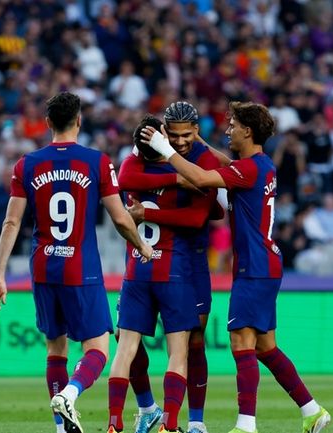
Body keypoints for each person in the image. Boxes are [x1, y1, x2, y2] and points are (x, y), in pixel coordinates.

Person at [142, 102, 331, 433]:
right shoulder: (261, 166)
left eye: (232, 125)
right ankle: (312, 411)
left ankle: (246, 425)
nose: (228, 130)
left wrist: (164, 149)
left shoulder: (250, 170)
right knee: (265, 346)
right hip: (266, 264)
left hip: (254, 268)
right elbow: (227, 165)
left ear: (248, 130)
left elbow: (202, 176)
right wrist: (198, 143)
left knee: (241, 341)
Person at [0, 92, 152, 433]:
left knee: (55, 347)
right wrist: (142, 247)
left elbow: (11, 223)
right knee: (99, 349)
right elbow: (121, 219)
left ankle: (62, 429)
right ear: (79, 120)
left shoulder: (26, 165)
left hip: (44, 267)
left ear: (47, 123)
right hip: (81, 268)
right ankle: (71, 394)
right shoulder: (97, 161)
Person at [107, 113, 217, 433]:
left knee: (127, 348)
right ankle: (165, 420)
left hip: (141, 267)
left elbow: (126, 178)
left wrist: (147, 210)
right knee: (178, 350)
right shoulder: (180, 170)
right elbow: (205, 210)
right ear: (165, 138)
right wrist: (179, 180)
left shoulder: (138, 169)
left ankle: (117, 422)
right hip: (173, 269)